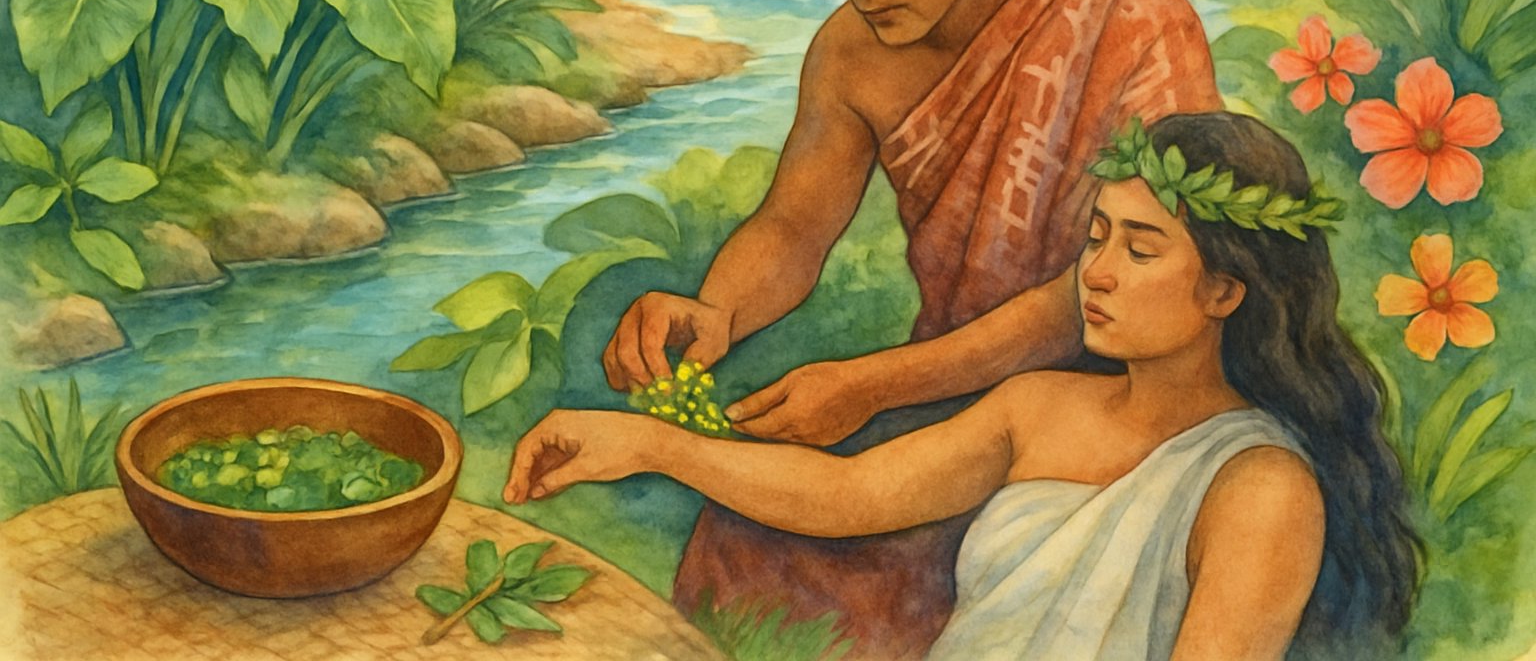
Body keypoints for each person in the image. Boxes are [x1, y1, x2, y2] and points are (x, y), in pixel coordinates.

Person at [601, 0, 1224, 655]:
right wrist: (716, 311)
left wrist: (874, 385)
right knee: (749, 539)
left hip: (1118, 393)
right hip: (946, 383)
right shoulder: (852, 53)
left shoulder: (1130, 16)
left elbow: (1122, 282)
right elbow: (792, 228)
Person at [511, 112, 1421, 660]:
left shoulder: (1261, 487)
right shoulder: (1039, 408)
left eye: (1140, 250)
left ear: (1227, 289)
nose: (1095, 273)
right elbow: (848, 494)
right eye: (1096, 236)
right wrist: (643, 443)